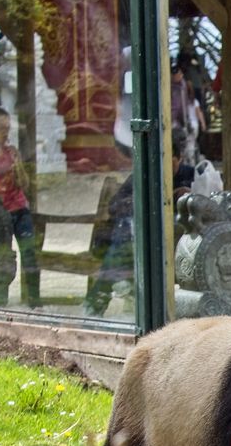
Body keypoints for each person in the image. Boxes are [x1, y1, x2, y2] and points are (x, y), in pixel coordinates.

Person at [83, 133, 196, 318]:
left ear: (179, 159)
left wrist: (187, 197)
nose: (167, 168)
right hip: (139, 242)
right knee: (123, 238)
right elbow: (115, 206)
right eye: (162, 162)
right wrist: (155, 199)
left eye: (172, 162)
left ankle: (96, 302)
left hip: (178, 244)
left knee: (119, 250)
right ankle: (98, 302)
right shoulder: (143, 176)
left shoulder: (189, 174)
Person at [0, 106, 39, 308]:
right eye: (1, 128)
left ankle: (35, 299)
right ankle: (0, 299)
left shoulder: (11, 152)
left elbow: (24, 185)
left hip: (18, 209)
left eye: (8, 128)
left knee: (29, 253)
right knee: (3, 255)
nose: (5, 133)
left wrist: (18, 167)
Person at [170, 58, 205, 165]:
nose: (178, 75)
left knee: (188, 147)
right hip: (173, 120)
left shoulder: (184, 86)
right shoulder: (170, 86)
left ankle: (189, 164)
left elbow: (189, 108)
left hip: (184, 121)